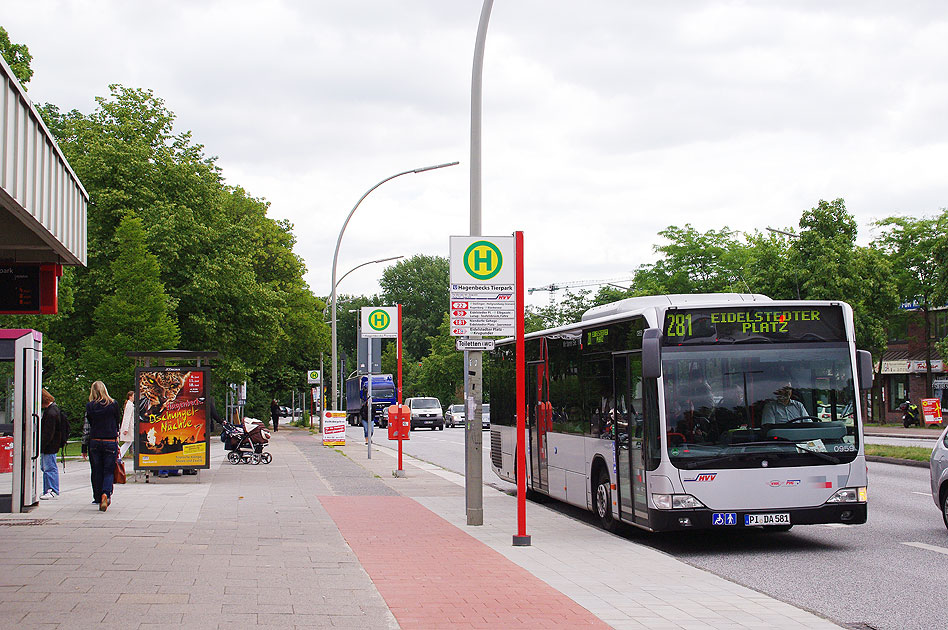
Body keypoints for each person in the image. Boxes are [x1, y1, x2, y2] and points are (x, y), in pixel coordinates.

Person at [80, 381, 121, 512]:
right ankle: (106, 493)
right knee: (108, 470)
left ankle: (97, 497)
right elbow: (117, 423)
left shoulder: (90, 406)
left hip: (95, 441)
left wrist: (84, 447)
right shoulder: (113, 404)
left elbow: (87, 428)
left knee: (96, 470)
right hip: (110, 440)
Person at [39, 389, 62, 500]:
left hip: (49, 446)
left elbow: (48, 432)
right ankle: (49, 489)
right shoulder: (54, 410)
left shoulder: (50, 413)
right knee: (47, 467)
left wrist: (41, 445)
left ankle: (52, 489)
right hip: (52, 444)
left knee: (49, 467)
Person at [119, 391, 134, 458]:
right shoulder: (129, 405)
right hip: (129, 426)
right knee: (128, 442)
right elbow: (127, 417)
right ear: (130, 396)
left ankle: (119, 455)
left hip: (130, 426)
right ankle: (119, 455)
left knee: (129, 442)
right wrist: (126, 429)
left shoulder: (130, 404)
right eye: (133, 396)